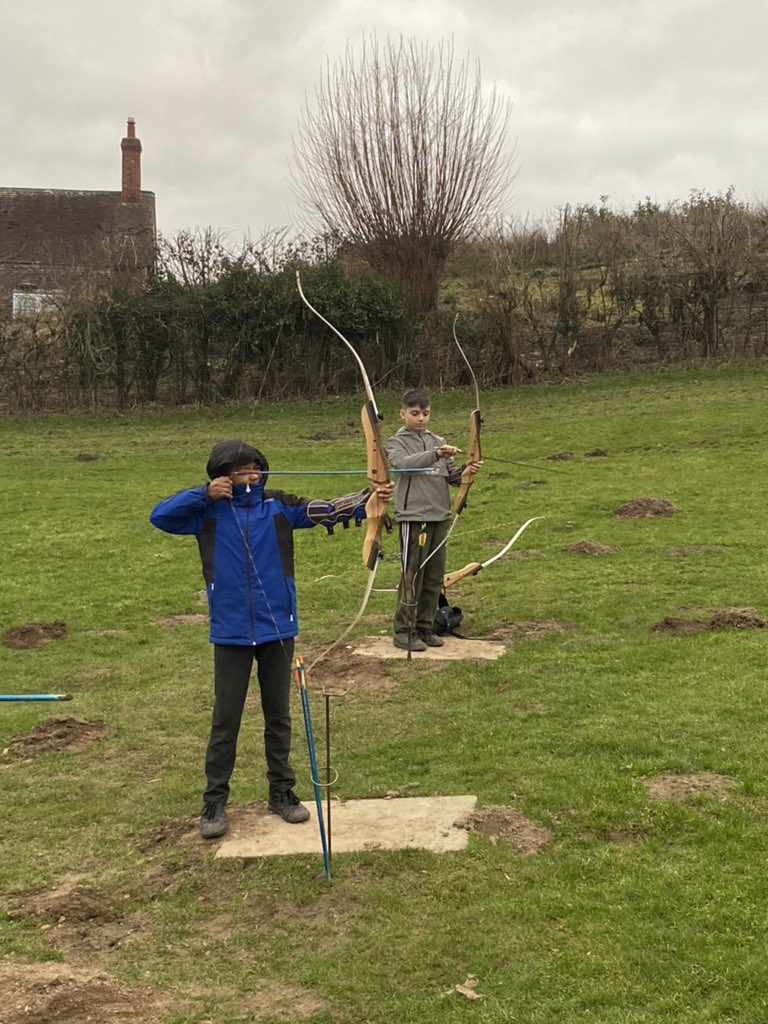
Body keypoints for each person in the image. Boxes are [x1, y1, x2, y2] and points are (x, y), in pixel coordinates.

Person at [150, 439, 393, 839]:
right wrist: (203, 494)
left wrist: (370, 496)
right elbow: (159, 516)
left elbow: (326, 510)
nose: (250, 474)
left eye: (254, 467)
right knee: (225, 720)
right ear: (222, 476)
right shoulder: (206, 512)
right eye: (239, 470)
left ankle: (282, 792)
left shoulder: (278, 505)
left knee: (278, 715)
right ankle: (214, 801)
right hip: (230, 632)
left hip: (277, 626)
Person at [385, 389, 482, 652]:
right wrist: (436, 454)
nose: (421, 419)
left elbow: (451, 478)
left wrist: (467, 470)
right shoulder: (395, 443)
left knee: (434, 575)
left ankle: (425, 626)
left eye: (425, 413)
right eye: (415, 413)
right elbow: (402, 465)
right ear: (402, 413)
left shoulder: (438, 441)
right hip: (412, 517)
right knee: (411, 575)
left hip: (439, 516)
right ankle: (404, 630)